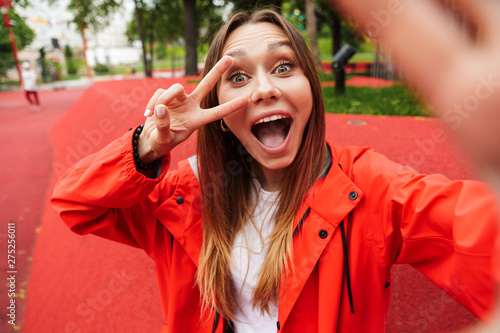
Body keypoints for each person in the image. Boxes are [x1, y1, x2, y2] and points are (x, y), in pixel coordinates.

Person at [51, 8, 499, 333]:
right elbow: (75, 203)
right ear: (218, 110)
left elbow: (480, 233)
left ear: (311, 87)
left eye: (284, 66)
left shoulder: (370, 187)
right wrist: (148, 145)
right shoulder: (179, 195)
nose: (264, 89)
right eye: (239, 77)